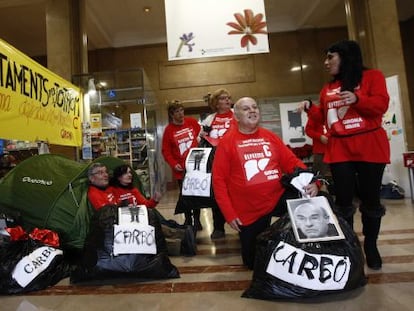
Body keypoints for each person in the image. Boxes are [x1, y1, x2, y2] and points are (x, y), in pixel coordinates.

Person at [212, 97, 319, 269]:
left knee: (317, 200)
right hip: (248, 210)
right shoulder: (227, 143)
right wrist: (229, 214)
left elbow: (292, 162)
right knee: (253, 263)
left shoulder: (270, 137)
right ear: (236, 117)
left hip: (276, 199)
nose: (252, 110)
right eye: (246, 109)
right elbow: (218, 181)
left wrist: (312, 181)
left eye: (254, 107)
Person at [311, 39, 390, 270]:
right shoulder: (327, 88)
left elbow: (381, 105)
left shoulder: (373, 76)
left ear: (345, 57)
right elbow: (323, 117)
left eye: (330, 57)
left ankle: (371, 245)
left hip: (370, 146)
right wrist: (310, 107)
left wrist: (358, 99)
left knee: (370, 199)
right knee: (343, 201)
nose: (326, 63)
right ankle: (349, 246)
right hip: (339, 148)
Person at [200, 88, 237, 240]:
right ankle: (218, 227)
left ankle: (243, 224)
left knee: (238, 193)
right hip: (217, 162)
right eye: (223, 98)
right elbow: (200, 140)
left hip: (236, 161)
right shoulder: (209, 119)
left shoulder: (237, 114)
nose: (227, 100)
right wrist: (201, 135)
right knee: (218, 195)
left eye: (228, 97)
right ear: (216, 103)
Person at [161, 101, 202, 229]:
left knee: (197, 194)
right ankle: (188, 220)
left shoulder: (192, 122)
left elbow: (201, 137)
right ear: (172, 114)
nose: (180, 114)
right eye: (177, 111)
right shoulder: (169, 130)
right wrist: (174, 164)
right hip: (181, 169)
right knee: (185, 195)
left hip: (196, 165)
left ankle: (197, 220)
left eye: (181, 110)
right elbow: (166, 151)